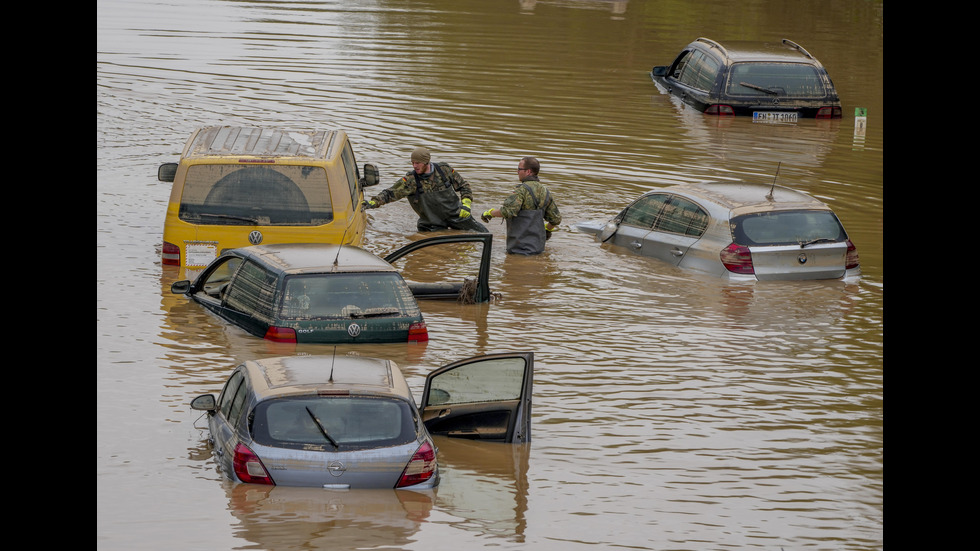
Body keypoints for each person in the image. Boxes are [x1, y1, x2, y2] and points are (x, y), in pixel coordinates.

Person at [362, 147, 488, 232]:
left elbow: (464, 186)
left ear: (426, 162)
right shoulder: (410, 180)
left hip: (458, 217)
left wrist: (466, 205)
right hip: (431, 225)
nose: (414, 166)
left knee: (484, 234)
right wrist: (373, 203)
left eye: (417, 163)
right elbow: (389, 194)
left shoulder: (444, 170)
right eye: (412, 163)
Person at [481, 156, 561, 255]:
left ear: (528, 172)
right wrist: (547, 229)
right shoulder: (545, 191)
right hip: (538, 248)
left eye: (519, 169)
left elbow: (508, 211)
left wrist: (490, 213)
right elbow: (556, 219)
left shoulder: (521, 191)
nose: (517, 172)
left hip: (519, 249)